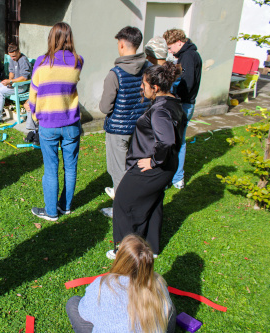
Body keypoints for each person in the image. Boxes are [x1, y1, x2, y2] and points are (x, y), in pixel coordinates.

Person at [109, 62, 186, 259]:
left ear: (156, 87)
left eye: (144, 83)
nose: (141, 87)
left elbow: (167, 140)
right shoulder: (173, 102)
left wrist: (152, 161)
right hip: (167, 167)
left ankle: (127, 254)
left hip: (152, 168)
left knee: (123, 204)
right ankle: (151, 248)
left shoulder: (160, 110)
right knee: (153, 204)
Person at [29, 22, 83, 221]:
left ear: (52, 38)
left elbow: (33, 93)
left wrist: (34, 114)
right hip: (71, 124)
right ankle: (65, 206)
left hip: (48, 124)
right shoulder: (78, 61)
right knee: (71, 167)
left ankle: (51, 211)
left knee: (50, 169)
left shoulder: (42, 62)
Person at [66, 234, 176, 333]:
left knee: (73, 303)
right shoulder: (158, 284)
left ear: (121, 259)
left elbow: (85, 311)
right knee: (169, 308)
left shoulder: (102, 285)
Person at [99, 26, 151, 218]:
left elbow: (105, 107)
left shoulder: (116, 74)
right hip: (140, 129)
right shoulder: (148, 69)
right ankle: (137, 203)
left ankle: (122, 211)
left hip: (119, 131)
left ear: (122, 45)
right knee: (135, 169)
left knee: (118, 171)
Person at [163, 29, 202, 189]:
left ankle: (176, 177)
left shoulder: (188, 57)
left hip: (183, 105)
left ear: (179, 42)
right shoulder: (186, 55)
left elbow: (187, 84)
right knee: (177, 140)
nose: (170, 52)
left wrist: (173, 97)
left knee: (176, 141)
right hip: (184, 103)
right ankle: (175, 176)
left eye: (170, 48)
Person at [0, 43, 32, 125]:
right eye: (11, 56)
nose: (12, 58)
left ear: (19, 51)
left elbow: (24, 78)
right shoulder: (12, 59)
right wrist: (10, 80)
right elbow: (11, 72)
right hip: (13, 83)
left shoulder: (23, 60)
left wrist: (11, 82)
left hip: (21, 86)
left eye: (14, 56)